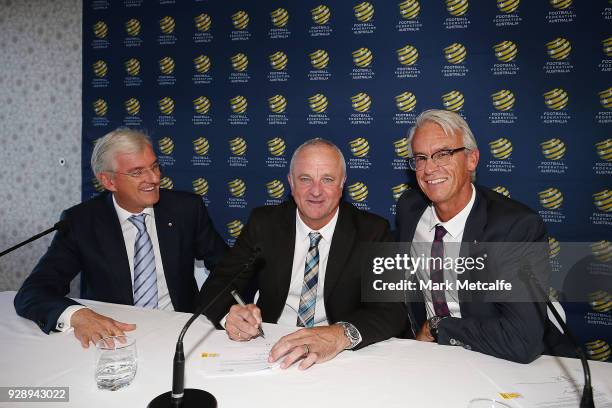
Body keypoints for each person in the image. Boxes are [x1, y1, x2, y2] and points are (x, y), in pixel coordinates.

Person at [200, 138, 406, 370]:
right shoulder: (264, 223)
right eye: (305, 179)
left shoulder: (374, 231)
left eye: (327, 179)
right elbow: (217, 287)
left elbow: (393, 310)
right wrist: (231, 318)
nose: (316, 191)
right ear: (291, 182)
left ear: (342, 184)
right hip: (270, 348)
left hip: (338, 357)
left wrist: (339, 334)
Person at [14, 128, 227, 348]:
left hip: (181, 332)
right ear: (108, 181)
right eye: (137, 172)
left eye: (154, 166)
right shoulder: (80, 222)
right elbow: (33, 291)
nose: (154, 178)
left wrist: (222, 311)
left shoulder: (186, 209)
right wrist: (78, 315)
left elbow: (228, 268)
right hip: (113, 336)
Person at [396, 109, 560, 363]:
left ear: (472, 159)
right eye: (421, 157)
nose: (429, 168)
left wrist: (438, 327)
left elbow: (521, 339)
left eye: (443, 154)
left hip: (498, 359)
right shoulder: (409, 209)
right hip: (431, 361)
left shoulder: (515, 228)